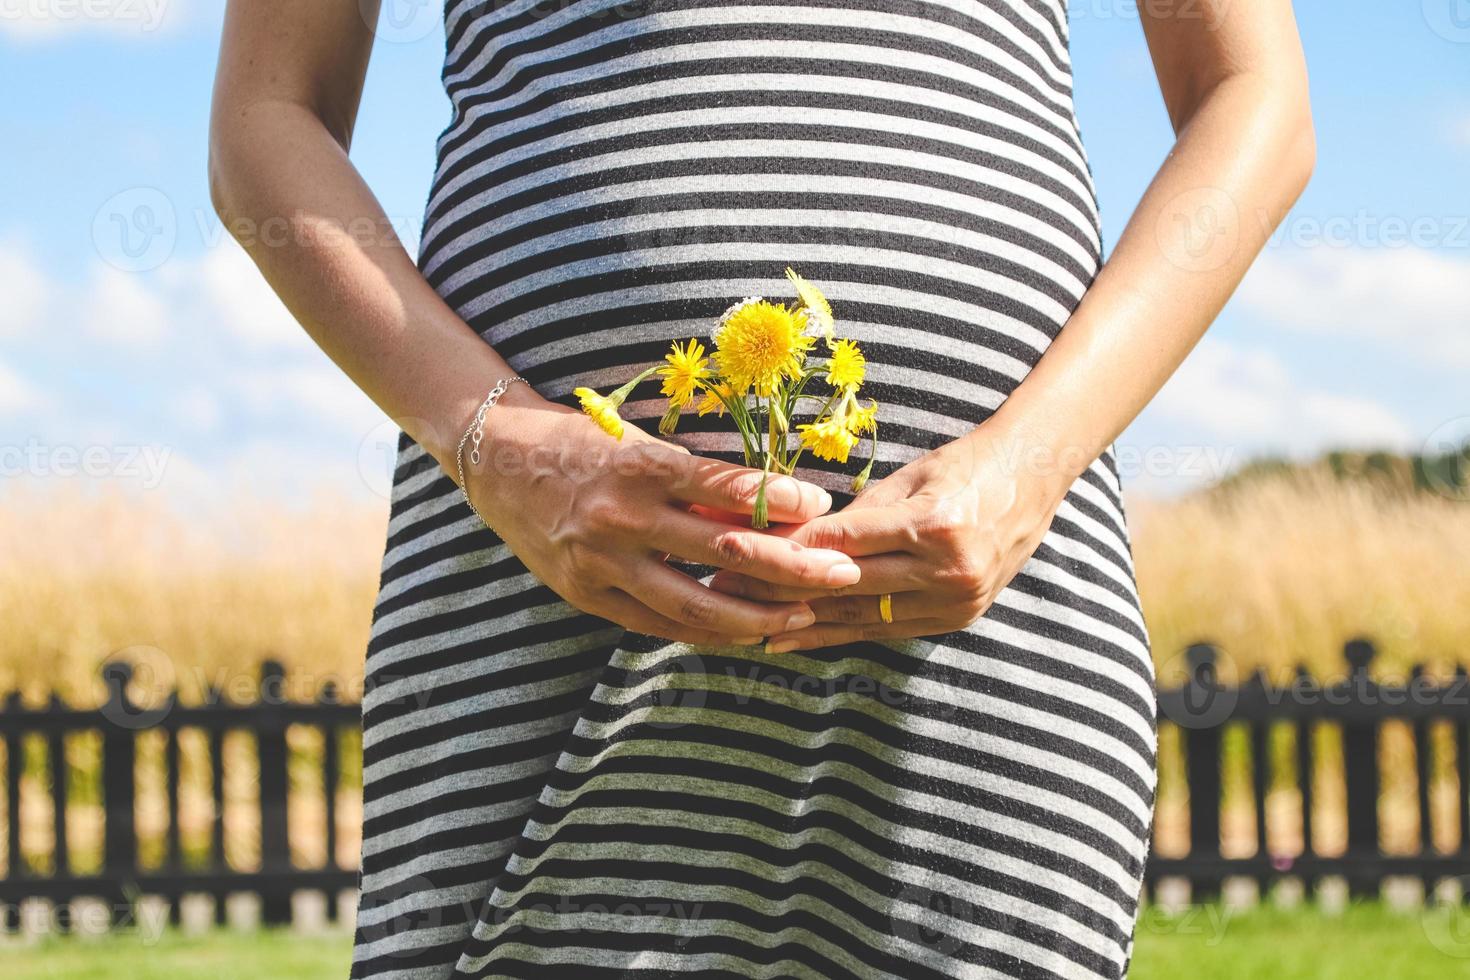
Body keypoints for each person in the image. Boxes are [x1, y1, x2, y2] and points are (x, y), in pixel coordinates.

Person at [209, 1, 1313, 976]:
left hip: (997, 585)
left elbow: (1254, 96)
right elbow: (266, 120)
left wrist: (1031, 462)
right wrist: (502, 444)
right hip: (532, 581)